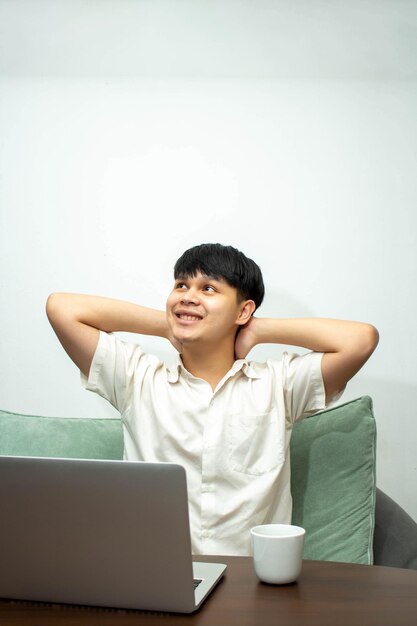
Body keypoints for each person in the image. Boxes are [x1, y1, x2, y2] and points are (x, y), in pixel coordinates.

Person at [46, 243, 379, 556]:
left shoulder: (278, 384)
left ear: (243, 310)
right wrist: (168, 326)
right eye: (180, 286)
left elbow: (361, 340)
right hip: (156, 575)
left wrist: (259, 330)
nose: (188, 296)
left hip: (252, 581)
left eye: (208, 288)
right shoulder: (137, 378)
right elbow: (62, 308)